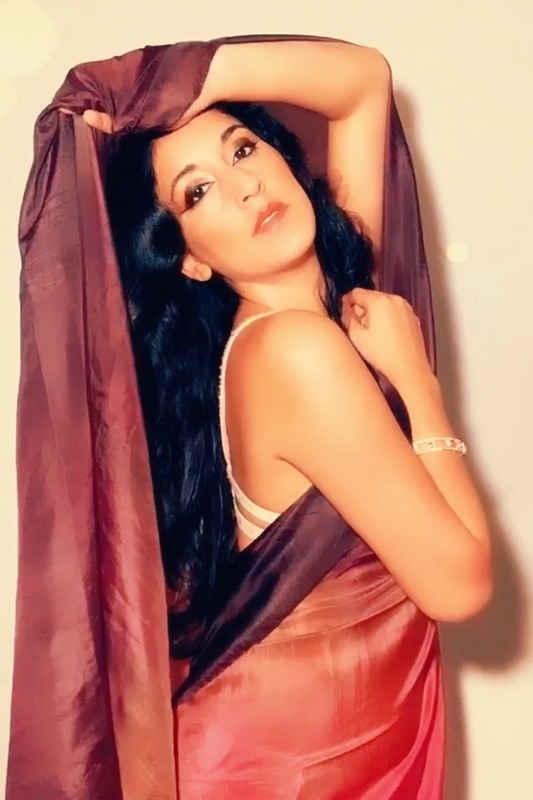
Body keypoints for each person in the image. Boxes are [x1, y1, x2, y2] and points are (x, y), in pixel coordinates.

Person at [9, 35, 492, 800]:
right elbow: (457, 589)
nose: (242, 188)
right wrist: (416, 383)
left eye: (241, 149)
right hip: (276, 773)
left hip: (323, 759)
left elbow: (362, 79)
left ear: (281, 157)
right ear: (190, 258)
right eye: (196, 193)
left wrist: (157, 88)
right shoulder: (295, 351)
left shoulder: (337, 302)